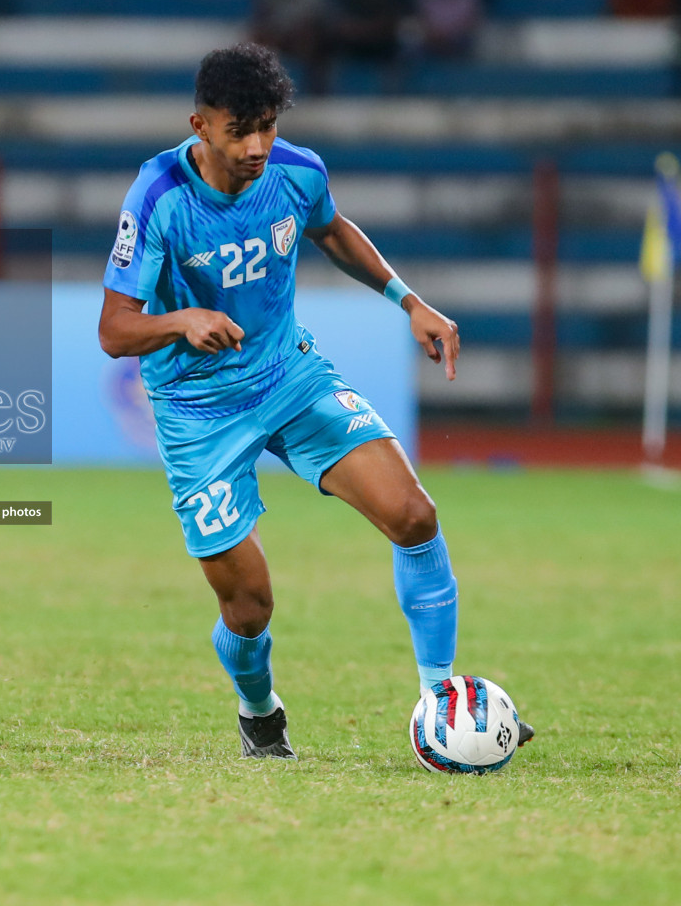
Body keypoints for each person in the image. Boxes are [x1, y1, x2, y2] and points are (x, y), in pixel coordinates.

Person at [97, 42, 533, 759]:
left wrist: (408, 300)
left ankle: (442, 703)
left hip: (289, 377)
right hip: (198, 412)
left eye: (267, 124)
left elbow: (331, 231)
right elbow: (115, 330)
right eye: (240, 129)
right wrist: (181, 320)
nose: (258, 145)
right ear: (199, 125)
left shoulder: (297, 173)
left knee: (414, 514)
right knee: (249, 605)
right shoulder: (158, 198)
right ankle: (258, 709)